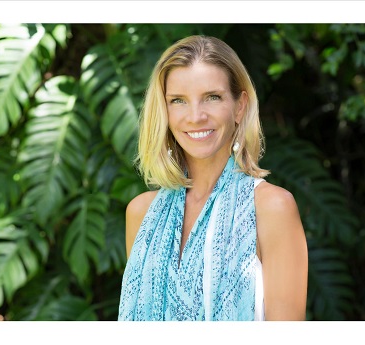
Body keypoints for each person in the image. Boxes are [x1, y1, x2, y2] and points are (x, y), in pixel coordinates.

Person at [118, 35, 308, 321]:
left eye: (212, 97)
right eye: (178, 101)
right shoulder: (141, 213)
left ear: (240, 106)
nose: (195, 116)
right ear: (164, 111)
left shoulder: (272, 208)